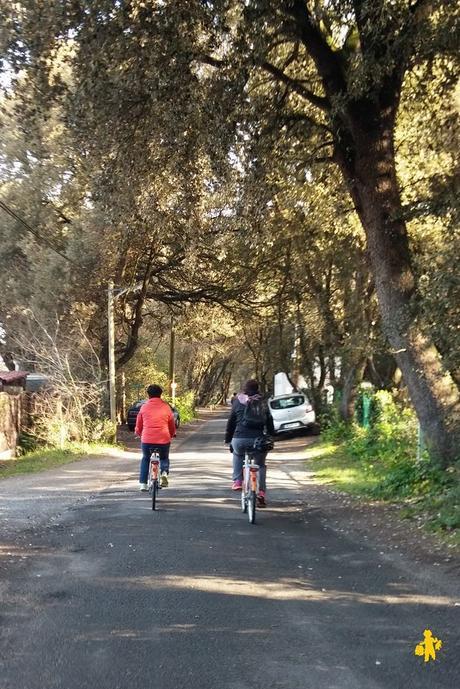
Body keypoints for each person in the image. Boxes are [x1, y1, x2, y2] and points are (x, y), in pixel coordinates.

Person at [225, 379, 274, 507]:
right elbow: (269, 421)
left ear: (244, 389)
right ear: (258, 389)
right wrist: (271, 435)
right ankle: (261, 492)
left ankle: (238, 481)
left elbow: (231, 422)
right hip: (258, 440)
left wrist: (228, 439)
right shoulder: (262, 402)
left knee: (237, 454)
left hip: (239, 439)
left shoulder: (237, 401)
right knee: (260, 465)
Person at [135, 384, 176, 491]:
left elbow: (139, 425)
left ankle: (143, 484)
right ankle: (163, 474)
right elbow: (171, 425)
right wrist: (171, 434)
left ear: (148, 395)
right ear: (160, 394)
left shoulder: (144, 407)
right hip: (163, 439)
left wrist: (139, 433)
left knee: (145, 458)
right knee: (164, 457)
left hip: (147, 440)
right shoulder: (166, 407)